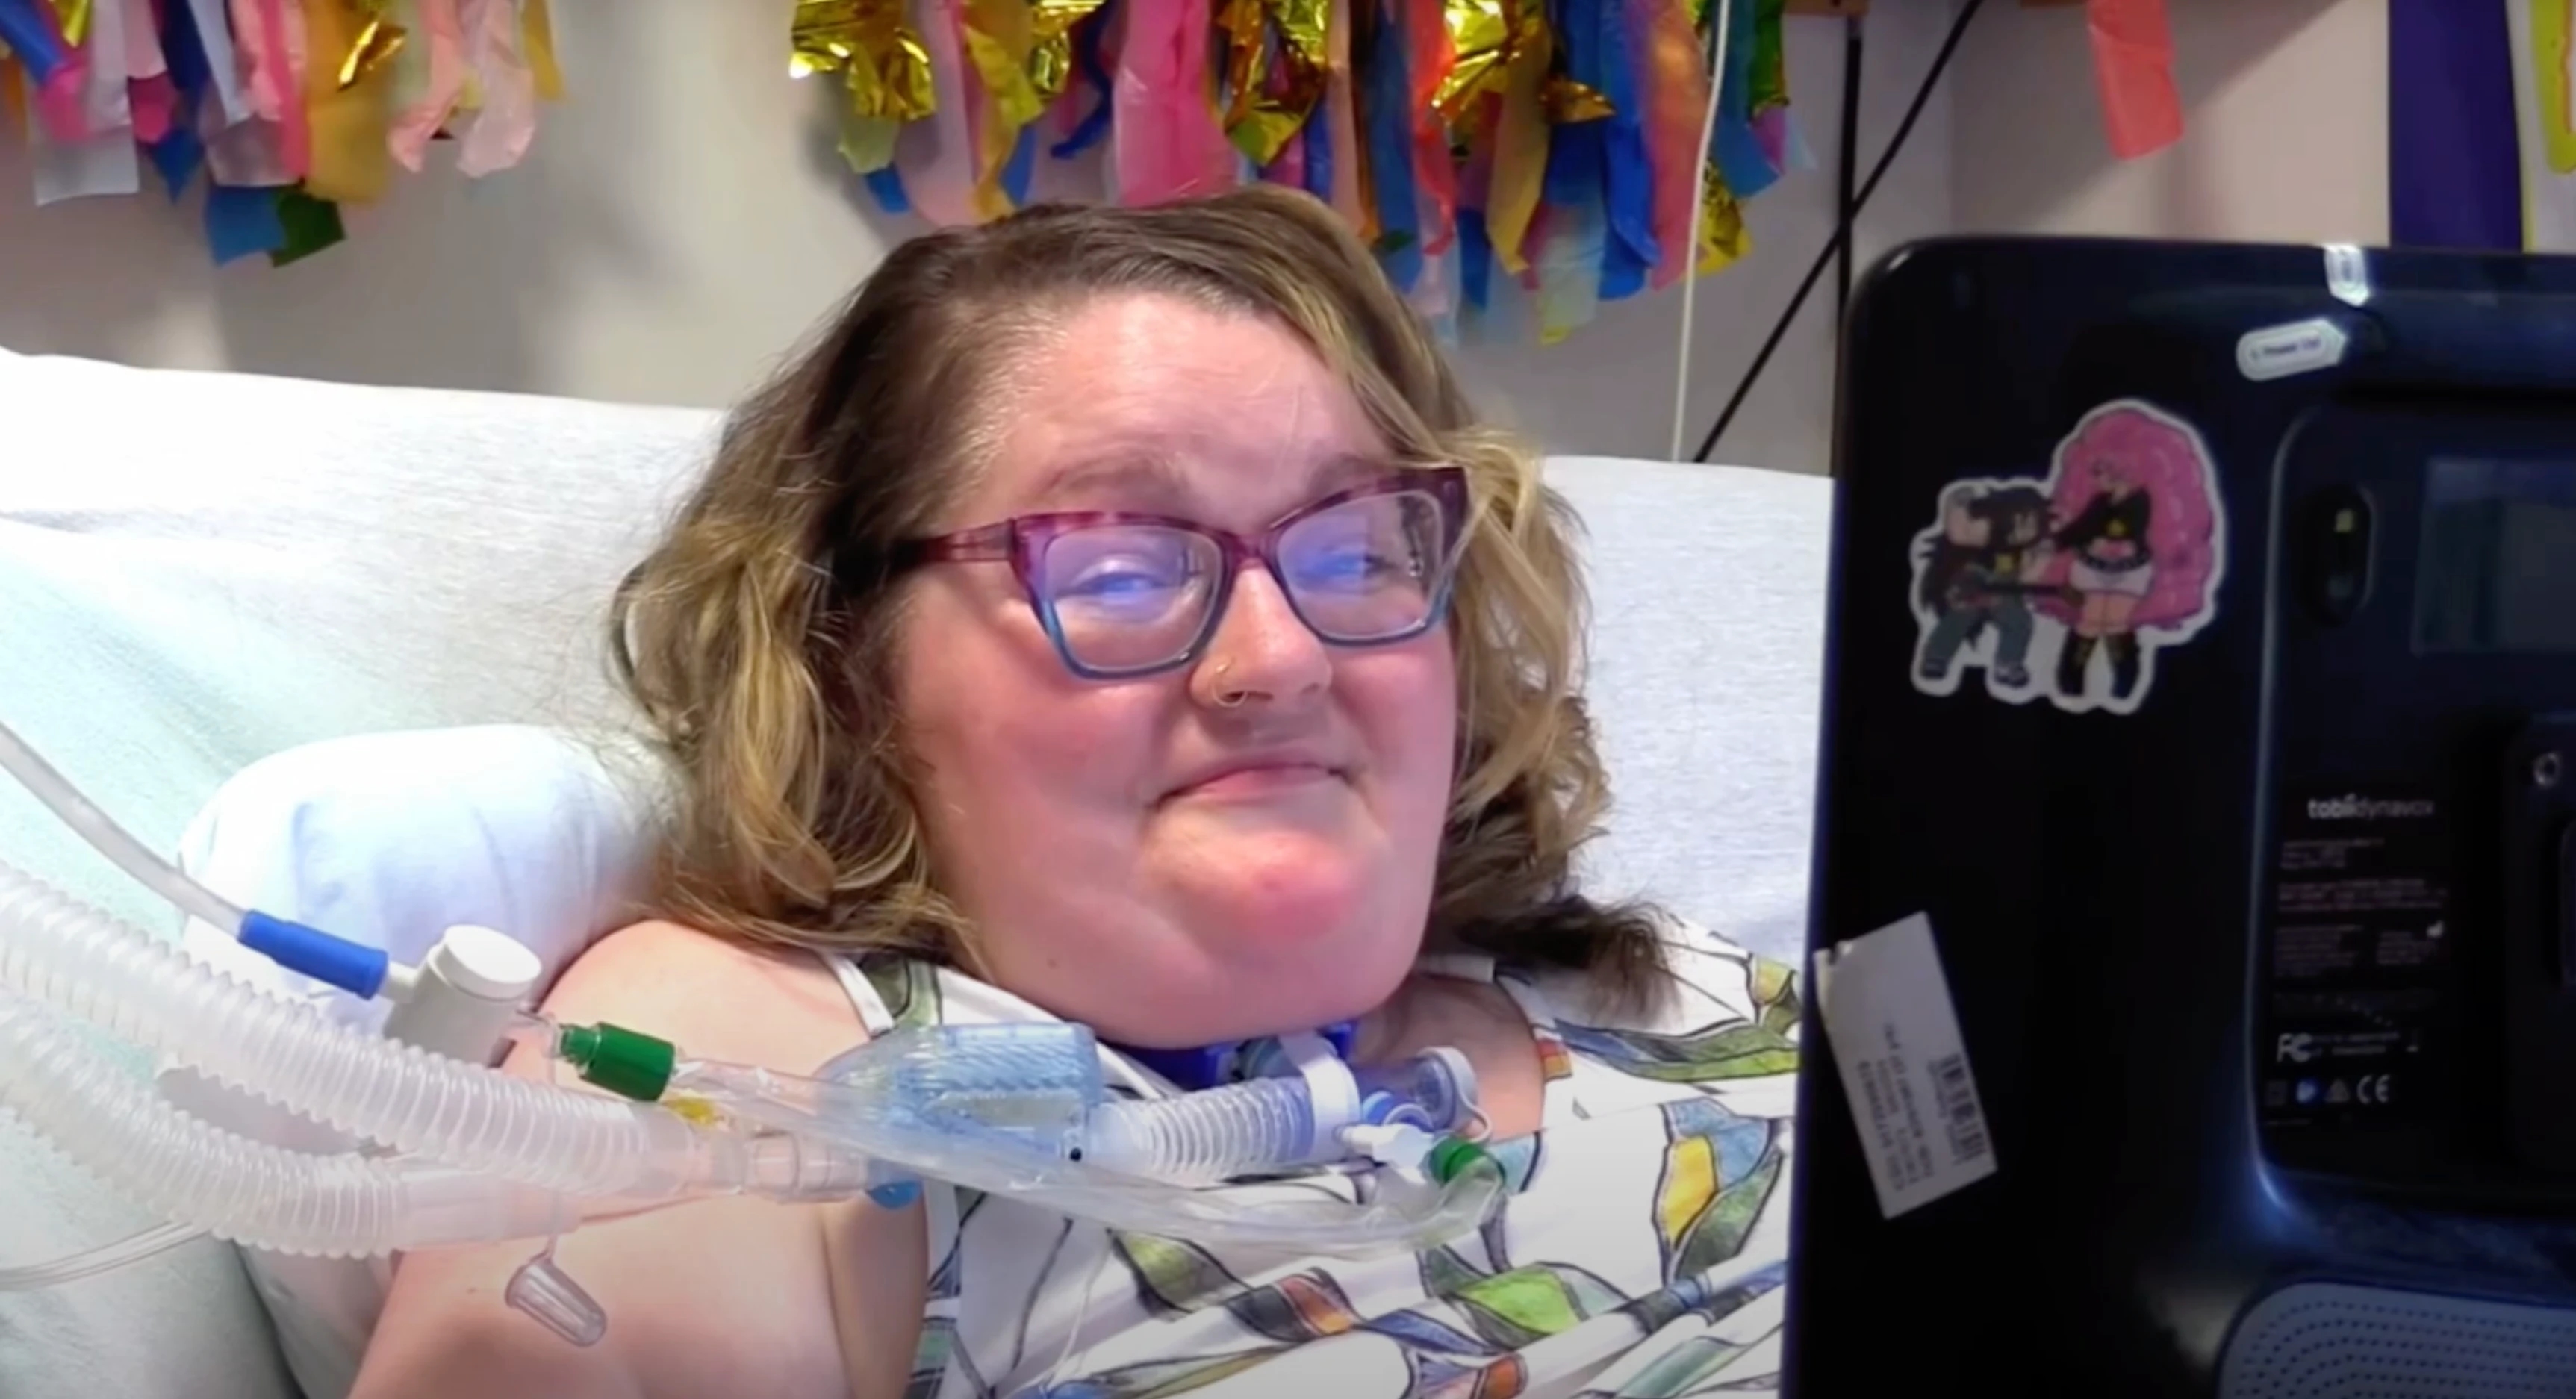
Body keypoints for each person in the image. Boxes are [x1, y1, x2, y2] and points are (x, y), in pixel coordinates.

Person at [350, 185, 1797, 1399]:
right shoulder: (776, 1066)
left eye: (1358, 550)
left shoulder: (1695, 997)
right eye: (1115, 567)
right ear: (847, 662)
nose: (1279, 656)